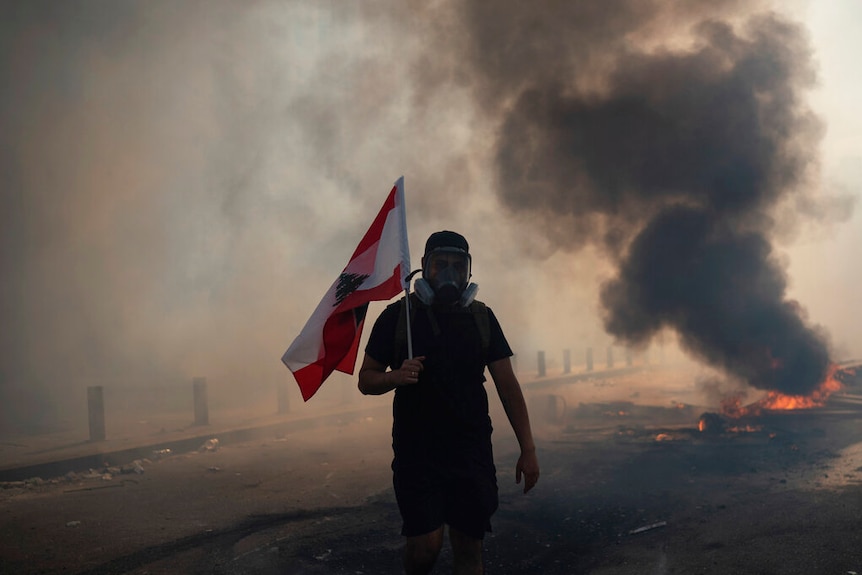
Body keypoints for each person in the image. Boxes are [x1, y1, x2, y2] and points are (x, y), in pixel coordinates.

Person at [358, 230, 540, 575]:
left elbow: (507, 385)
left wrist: (527, 448)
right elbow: (366, 379)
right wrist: (395, 377)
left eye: (459, 266)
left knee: (469, 547)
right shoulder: (398, 319)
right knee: (425, 547)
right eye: (441, 265)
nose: (450, 274)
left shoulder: (481, 318)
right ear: (424, 268)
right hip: (418, 454)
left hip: (470, 451)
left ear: (469, 272)